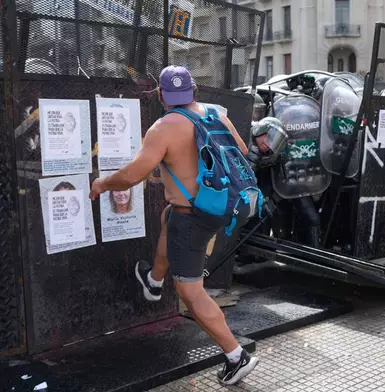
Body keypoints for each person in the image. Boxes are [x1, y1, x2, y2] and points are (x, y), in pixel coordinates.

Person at [89, 65, 258, 386]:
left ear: (162, 96)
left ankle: (237, 356)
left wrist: (101, 184)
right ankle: (154, 282)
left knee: (191, 293)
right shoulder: (214, 114)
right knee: (169, 217)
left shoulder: (163, 128)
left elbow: (132, 175)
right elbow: (243, 151)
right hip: (224, 206)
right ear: (194, 91)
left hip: (192, 218)